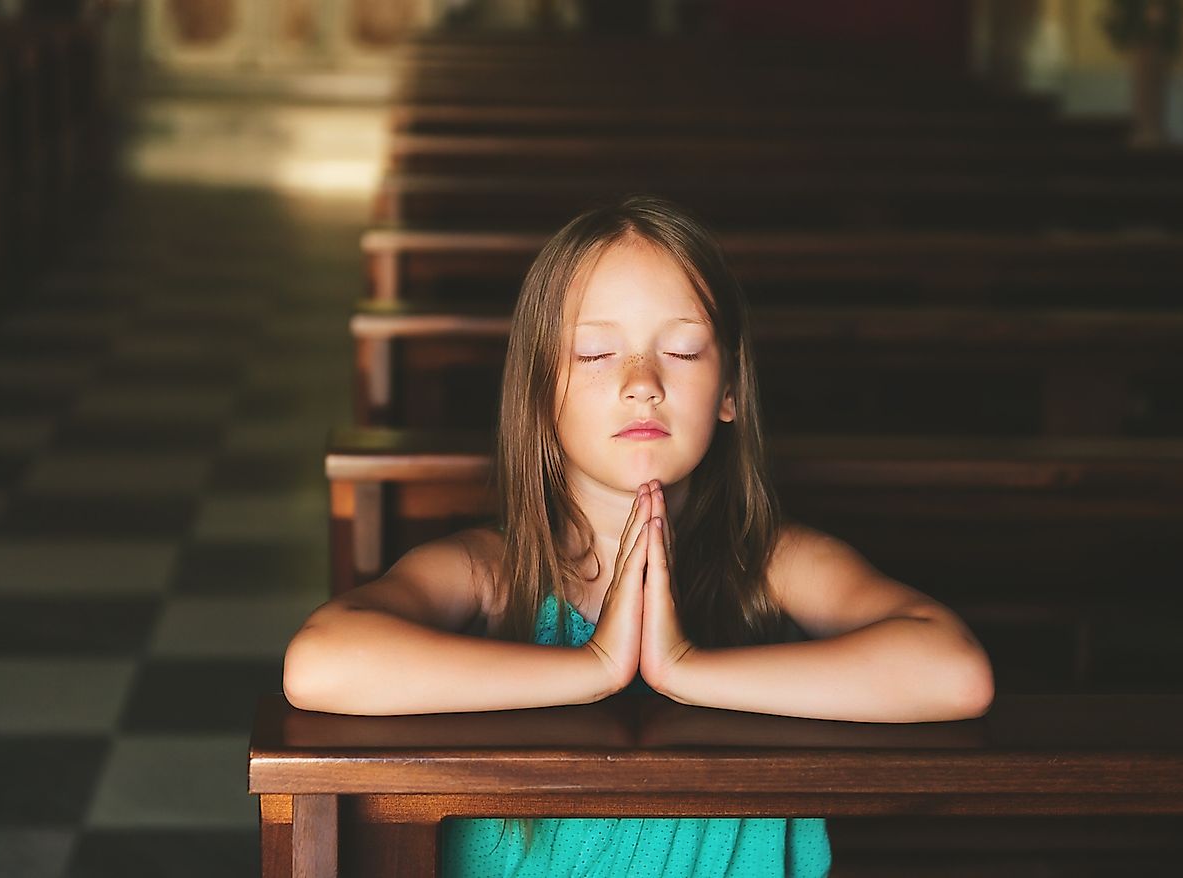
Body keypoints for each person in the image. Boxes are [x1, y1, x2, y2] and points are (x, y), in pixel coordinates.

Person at [282, 195, 995, 877]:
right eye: (595, 354)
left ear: (729, 394)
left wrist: (684, 668)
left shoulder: (772, 562)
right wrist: (596, 666)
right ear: (537, 393)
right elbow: (320, 663)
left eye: (682, 351)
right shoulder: (491, 571)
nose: (642, 382)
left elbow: (953, 671)